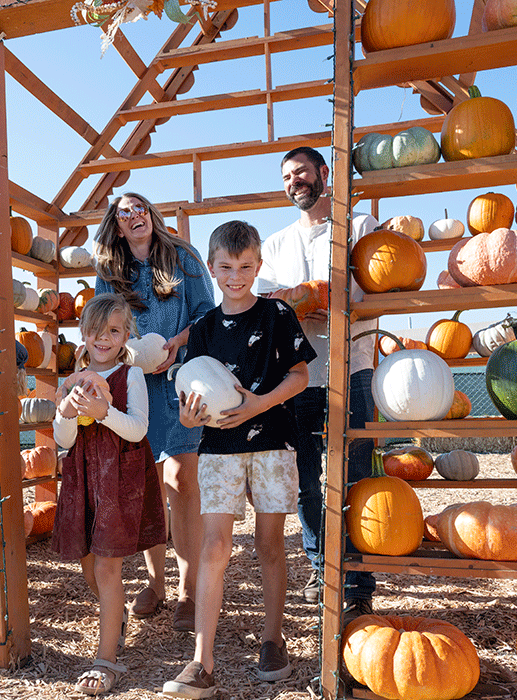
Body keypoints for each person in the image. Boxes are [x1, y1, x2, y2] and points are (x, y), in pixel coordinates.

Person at [162, 221, 315, 698]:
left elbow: (300, 376)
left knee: (269, 544)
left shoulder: (277, 314)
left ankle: (273, 639)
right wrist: (189, 422)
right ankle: (201, 662)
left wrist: (258, 404)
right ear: (211, 268)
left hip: (272, 441)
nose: (235, 276)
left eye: (245, 267)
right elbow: (192, 402)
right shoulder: (203, 330)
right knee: (214, 547)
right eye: (226, 268)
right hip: (219, 449)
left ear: (258, 266)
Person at [256, 146, 378, 616]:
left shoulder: (360, 227)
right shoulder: (275, 244)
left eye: (302, 172)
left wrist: (333, 299)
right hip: (300, 376)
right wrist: (295, 303)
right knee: (305, 479)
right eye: (287, 177)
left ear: (324, 173)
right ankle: (320, 562)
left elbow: (374, 286)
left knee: (356, 477)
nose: (295, 182)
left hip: (353, 369)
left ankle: (358, 578)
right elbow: (266, 304)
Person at [94, 192, 216, 631]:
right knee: (146, 486)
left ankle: (188, 590)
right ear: (118, 224)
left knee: (182, 480)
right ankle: (156, 583)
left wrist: (176, 345)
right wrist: (125, 353)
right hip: (134, 387)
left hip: (180, 381)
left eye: (140, 207)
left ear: (151, 213)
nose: (134, 216)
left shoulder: (183, 256)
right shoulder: (110, 270)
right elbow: (100, 321)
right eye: (124, 213)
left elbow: (208, 315)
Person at [51, 293, 166, 696]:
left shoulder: (129, 375)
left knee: (106, 568)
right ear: (83, 334)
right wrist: (66, 413)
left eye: (114, 331)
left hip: (118, 479)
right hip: (84, 477)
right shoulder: (73, 381)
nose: (104, 339)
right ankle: (113, 618)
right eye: (97, 332)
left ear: (125, 335)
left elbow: (138, 429)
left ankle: (106, 658)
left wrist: (104, 412)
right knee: (87, 562)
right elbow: (63, 440)